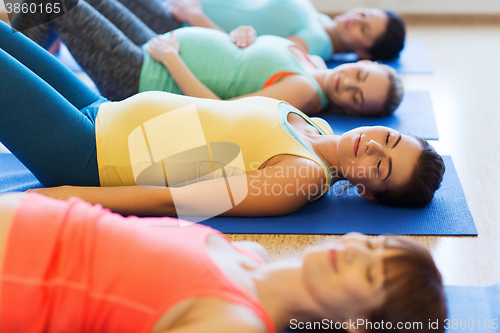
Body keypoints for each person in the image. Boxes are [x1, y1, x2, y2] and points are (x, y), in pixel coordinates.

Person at [0, 20, 444, 218]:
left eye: (380, 165)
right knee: (7, 34)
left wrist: (68, 196)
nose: (371, 146)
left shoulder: (301, 177)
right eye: (386, 138)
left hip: (89, 155)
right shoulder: (319, 126)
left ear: (367, 194)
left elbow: (175, 200)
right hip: (102, 111)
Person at [0, 192, 446, 332]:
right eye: (370, 245)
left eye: (368, 272)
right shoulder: (250, 254)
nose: (353, 249)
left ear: (358, 325)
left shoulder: (236, 324)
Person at [11, 0, 403, 117]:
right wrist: (238, 37)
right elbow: (239, 62)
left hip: (147, 75)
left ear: (353, 111)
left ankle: (9, 40)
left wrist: (172, 60)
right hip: (162, 48)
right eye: (360, 77)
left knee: (61, 4)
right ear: (362, 64)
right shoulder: (312, 65)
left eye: (356, 96)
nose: (347, 83)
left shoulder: (305, 91)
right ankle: (18, 42)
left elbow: (221, 111)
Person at [117, 0, 406, 61]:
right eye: (364, 14)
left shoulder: (317, 41)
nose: (355, 20)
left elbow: (248, 57)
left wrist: (196, 16)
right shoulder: (318, 19)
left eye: (364, 29)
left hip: (179, 23)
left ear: (363, 53)